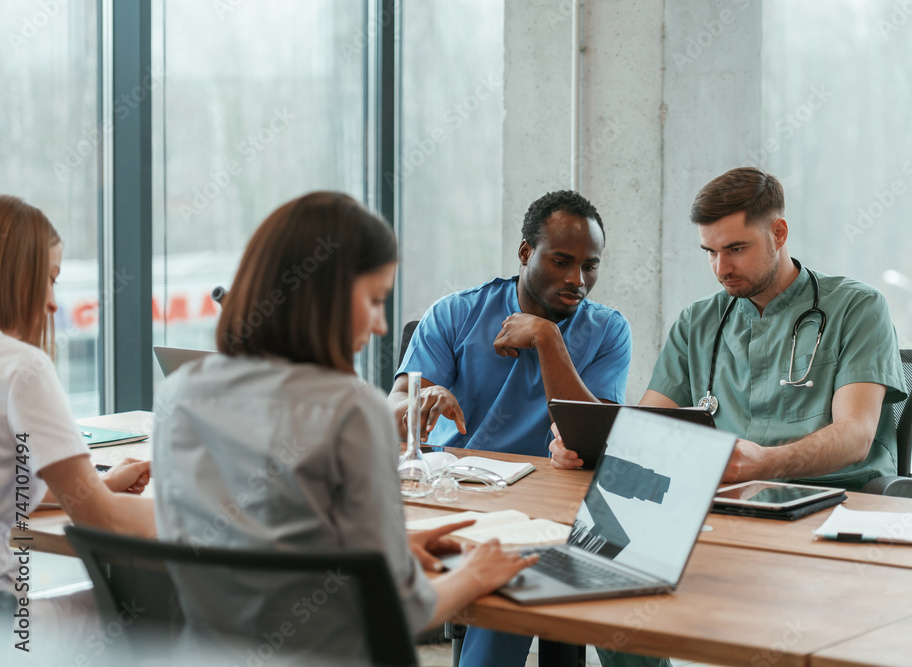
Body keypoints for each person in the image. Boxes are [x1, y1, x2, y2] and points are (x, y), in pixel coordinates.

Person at [151, 191, 537, 660]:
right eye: (375, 300)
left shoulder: (180, 392)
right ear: (325, 295)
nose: (380, 325)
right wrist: (474, 573)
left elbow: (251, 544)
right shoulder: (352, 411)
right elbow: (404, 608)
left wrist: (385, 547)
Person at [552, 167, 907, 494]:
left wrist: (765, 463)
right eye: (710, 252)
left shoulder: (857, 308)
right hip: (725, 501)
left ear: (778, 234)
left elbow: (856, 436)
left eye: (736, 249)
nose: (722, 269)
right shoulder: (697, 321)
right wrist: (588, 446)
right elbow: (649, 428)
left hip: (832, 500)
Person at [389, 190, 632, 667]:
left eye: (590, 266)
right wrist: (419, 403)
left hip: (553, 508)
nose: (577, 280)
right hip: (459, 497)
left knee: (515, 582)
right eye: (561, 261)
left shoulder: (608, 330)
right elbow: (394, 405)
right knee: (504, 587)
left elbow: (597, 440)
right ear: (525, 253)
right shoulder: (456, 313)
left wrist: (547, 339)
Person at [0, 196, 154, 661]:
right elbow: (101, 521)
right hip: (10, 627)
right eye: (49, 280)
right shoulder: (23, 367)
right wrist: (205, 516)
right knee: (149, 609)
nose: (51, 303)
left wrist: (92, 485)